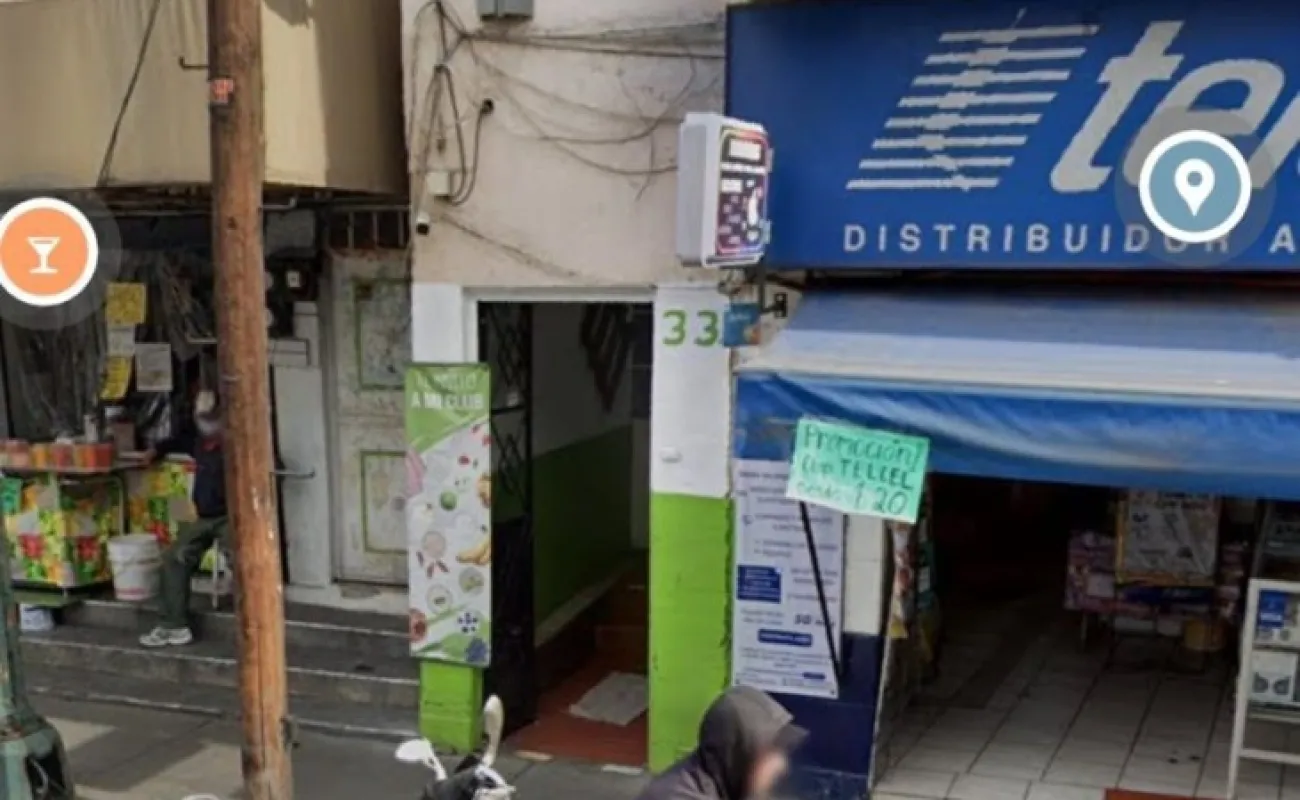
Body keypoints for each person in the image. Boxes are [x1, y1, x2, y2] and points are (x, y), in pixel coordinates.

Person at [139, 391, 228, 648]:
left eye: (210, 417)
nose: (206, 423)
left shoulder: (240, 443)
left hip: (233, 517)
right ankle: (173, 624)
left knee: (242, 559)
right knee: (173, 558)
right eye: (202, 417)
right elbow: (174, 442)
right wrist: (155, 451)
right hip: (205, 517)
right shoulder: (198, 442)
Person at [637, 686, 806, 800]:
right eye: (769, 756)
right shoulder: (677, 795)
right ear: (739, 754)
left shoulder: (724, 779)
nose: (781, 765)